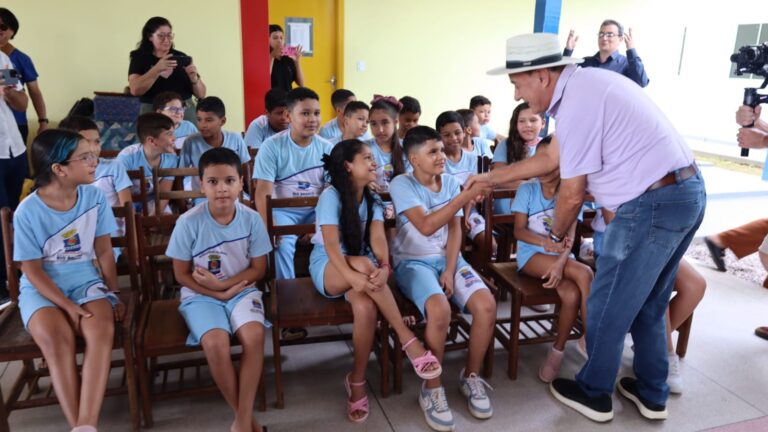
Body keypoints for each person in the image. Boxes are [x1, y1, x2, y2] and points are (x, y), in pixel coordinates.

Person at [474, 33, 705, 422]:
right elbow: (549, 160)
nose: (517, 96)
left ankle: (594, 392)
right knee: (650, 301)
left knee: (606, 302)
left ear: (543, 75)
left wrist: (556, 237)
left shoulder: (579, 101)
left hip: (648, 205)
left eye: (518, 85)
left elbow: (571, 192)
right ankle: (652, 392)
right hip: (683, 194)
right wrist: (492, 179)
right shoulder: (587, 87)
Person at [310, 139, 442, 423]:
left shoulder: (373, 199)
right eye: (367, 158)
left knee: (367, 308)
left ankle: (356, 381)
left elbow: (378, 239)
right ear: (348, 166)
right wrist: (352, 276)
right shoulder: (330, 196)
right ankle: (408, 339)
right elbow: (332, 247)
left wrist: (384, 266)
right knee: (363, 262)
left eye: (373, 157)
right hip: (330, 266)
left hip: (364, 269)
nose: (374, 162)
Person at [14, 129, 123, 432]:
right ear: (59, 169)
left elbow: (103, 250)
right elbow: (32, 271)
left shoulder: (94, 196)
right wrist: (66, 306)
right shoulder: (28, 211)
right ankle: (82, 426)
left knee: (101, 331)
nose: (94, 162)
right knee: (56, 340)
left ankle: (84, 425)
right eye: (85, 157)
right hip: (41, 290)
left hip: (85, 282)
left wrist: (113, 293)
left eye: (93, 154)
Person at [391, 126, 495, 431]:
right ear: (413, 158)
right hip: (413, 263)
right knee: (439, 310)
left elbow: (454, 230)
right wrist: (463, 197)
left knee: (487, 306)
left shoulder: (449, 182)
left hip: (449, 259)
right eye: (433, 152)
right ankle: (432, 387)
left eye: (441, 150)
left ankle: (471, 377)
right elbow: (424, 225)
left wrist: (450, 269)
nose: (441, 156)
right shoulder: (402, 184)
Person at [166, 148, 269, 432]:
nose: (221, 188)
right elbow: (181, 274)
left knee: (254, 336)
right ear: (201, 184)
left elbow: (258, 269)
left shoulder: (251, 219)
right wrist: (215, 293)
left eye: (229, 180)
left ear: (240, 183)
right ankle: (247, 421)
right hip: (199, 295)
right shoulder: (188, 222)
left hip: (242, 290)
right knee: (215, 343)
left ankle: (241, 423)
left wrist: (224, 287)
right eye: (212, 181)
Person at [511, 137, 592, 383]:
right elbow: (519, 232)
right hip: (531, 256)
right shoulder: (528, 189)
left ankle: (556, 353)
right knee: (585, 274)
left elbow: (569, 237)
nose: (545, 169)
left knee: (572, 295)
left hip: (561, 260)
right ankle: (592, 338)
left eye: (551, 163)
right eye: (540, 162)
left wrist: (559, 263)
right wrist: (544, 244)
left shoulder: (571, 193)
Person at [252, 87, 332, 280]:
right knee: (280, 244)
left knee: (333, 239)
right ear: (289, 115)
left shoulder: (327, 148)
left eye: (316, 113)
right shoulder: (271, 146)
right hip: (282, 212)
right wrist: (270, 224)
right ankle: (286, 293)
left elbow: (331, 191)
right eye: (305, 113)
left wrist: (317, 222)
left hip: (317, 212)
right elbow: (262, 191)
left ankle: (323, 285)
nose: (312, 119)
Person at [59, 116, 132, 260]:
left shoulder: (114, 167)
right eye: (85, 142)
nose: (93, 148)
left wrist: (132, 242)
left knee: (93, 262)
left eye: (97, 141)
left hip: (109, 233)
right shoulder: (64, 172)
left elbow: (127, 209)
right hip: (75, 233)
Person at [435, 111, 495, 265]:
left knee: (490, 245)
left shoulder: (474, 159)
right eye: (447, 135)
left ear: (465, 131)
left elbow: (474, 192)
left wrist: (466, 216)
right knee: (444, 248)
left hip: (470, 211)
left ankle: (476, 272)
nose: (454, 138)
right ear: (439, 136)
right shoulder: (438, 161)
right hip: (444, 213)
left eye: (457, 133)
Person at [128, 17, 206, 122]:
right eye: (161, 36)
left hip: (184, 113)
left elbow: (201, 94)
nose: (166, 40)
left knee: (189, 138)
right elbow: (135, 90)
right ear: (150, 36)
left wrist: (194, 79)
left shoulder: (181, 57)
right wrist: (157, 69)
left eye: (169, 35)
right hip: (153, 112)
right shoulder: (139, 57)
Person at [180, 97, 250, 198]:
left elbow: (245, 167)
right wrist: (182, 203)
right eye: (199, 120)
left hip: (233, 194)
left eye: (208, 120)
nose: (202, 125)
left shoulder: (236, 139)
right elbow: (180, 174)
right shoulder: (190, 142)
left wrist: (248, 194)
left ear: (222, 121)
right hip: (202, 196)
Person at [0, 48, 28, 300]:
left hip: (13, 149)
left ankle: (20, 277)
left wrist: (9, 92)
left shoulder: (1, 59)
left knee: (15, 215)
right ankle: (4, 283)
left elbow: (22, 101)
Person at [0, 8, 47, 143]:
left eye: (3, 27)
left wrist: (43, 121)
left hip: (15, 123)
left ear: (12, 31)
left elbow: (34, 92)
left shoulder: (16, 60)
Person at [117, 113, 179, 215]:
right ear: (152, 141)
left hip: (151, 201)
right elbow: (123, 199)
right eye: (169, 134)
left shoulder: (171, 157)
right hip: (125, 200)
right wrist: (133, 222)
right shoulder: (126, 158)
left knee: (166, 222)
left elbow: (164, 193)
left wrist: (153, 218)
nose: (174, 138)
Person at [491, 102, 545, 214]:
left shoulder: (549, 146)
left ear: (543, 123)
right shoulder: (506, 145)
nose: (528, 125)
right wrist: (533, 185)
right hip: (509, 197)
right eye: (522, 121)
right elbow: (499, 179)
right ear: (516, 124)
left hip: (542, 198)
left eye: (533, 120)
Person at [563, 19, 649, 88]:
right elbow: (562, 78)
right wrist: (568, 50)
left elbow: (641, 82)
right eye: (601, 34)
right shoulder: (585, 62)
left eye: (609, 35)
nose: (604, 38)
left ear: (621, 39)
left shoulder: (626, 64)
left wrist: (631, 49)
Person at [366, 96, 407, 193]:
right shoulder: (364, 148)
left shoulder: (406, 148)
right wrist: (364, 182)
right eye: (374, 124)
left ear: (395, 122)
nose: (380, 129)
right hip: (373, 203)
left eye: (385, 123)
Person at [269, 24, 304, 92]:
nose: (279, 41)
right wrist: (272, 56)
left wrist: (297, 62)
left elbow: (301, 83)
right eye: (275, 38)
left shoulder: (288, 58)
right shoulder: (263, 56)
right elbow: (264, 79)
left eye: (281, 38)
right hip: (272, 100)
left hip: (288, 99)